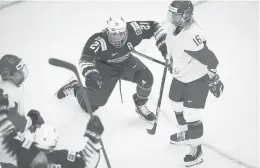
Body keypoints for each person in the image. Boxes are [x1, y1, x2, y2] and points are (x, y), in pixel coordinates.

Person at [55, 16, 167, 124]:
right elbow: (85, 59)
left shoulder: (134, 29)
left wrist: (163, 42)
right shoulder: (99, 40)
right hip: (105, 69)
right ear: (108, 32)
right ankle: (75, 87)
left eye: (121, 34)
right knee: (90, 107)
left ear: (126, 31)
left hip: (126, 62)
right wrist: (91, 74)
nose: (118, 38)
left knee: (146, 78)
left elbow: (154, 25)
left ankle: (140, 105)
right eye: (114, 35)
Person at [164, 0, 224, 167]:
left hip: (196, 79)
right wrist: (170, 60)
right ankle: (186, 133)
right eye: (172, 13)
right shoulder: (174, 28)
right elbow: (173, 46)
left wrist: (214, 78)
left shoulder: (192, 35)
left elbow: (211, 59)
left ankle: (196, 149)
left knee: (190, 113)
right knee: (175, 103)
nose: (171, 17)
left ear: (185, 15)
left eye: (175, 14)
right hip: (180, 75)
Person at [0, 90, 104, 168]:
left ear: (35, 138)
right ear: (54, 143)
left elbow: (6, 137)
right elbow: (87, 162)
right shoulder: (63, 159)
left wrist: (1, 111)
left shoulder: (22, 152)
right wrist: (94, 136)